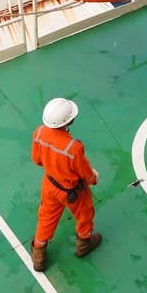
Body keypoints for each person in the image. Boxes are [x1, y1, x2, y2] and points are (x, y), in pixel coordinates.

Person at [30, 97, 102, 272]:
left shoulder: (39, 133)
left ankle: (38, 252)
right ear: (69, 120)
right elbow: (84, 173)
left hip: (50, 185)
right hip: (73, 191)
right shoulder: (73, 147)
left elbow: (37, 160)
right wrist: (93, 178)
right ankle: (83, 245)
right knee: (85, 214)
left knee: (46, 216)